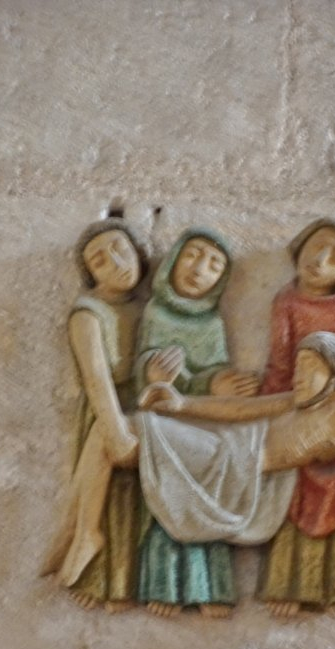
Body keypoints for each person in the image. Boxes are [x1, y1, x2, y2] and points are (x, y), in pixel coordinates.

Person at [134, 331, 335, 616]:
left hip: (237, 469)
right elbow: (243, 409)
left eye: (309, 367)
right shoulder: (299, 400)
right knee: (141, 428)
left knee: (141, 430)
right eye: (298, 368)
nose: (298, 377)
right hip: (231, 449)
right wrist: (182, 404)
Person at [260, 219, 335, 616]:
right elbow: (280, 363)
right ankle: (288, 583)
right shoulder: (286, 301)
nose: (320, 260)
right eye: (316, 246)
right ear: (300, 247)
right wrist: (278, 403)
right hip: (299, 401)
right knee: (292, 489)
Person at [134, 229, 259, 618]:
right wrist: (153, 374)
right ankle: (165, 585)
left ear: (220, 281)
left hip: (202, 421)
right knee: (171, 490)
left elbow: (212, 373)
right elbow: (144, 374)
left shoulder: (212, 323)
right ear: (172, 261)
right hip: (163, 420)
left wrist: (220, 382)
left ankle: (211, 587)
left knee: (215, 482)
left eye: (214, 264)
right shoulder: (155, 313)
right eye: (192, 255)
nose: (199, 268)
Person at [41, 203, 148, 612]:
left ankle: (127, 581)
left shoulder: (151, 308)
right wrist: (115, 428)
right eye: (99, 261)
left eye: (120, 249)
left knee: (137, 500)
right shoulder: (87, 314)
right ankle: (100, 577)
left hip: (147, 405)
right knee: (109, 496)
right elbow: (96, 378)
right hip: (107, 410)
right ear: (90, 275)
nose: (116, 263)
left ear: (138, 251)